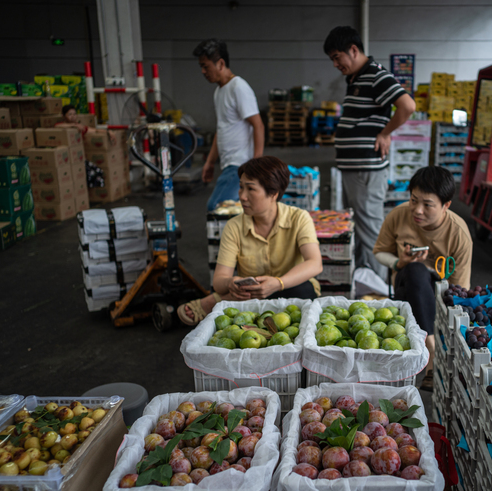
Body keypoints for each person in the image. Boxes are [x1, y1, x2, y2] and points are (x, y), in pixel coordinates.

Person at [177, 156, 323, 326]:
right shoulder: (234, 227)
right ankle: (229, 298)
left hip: (291, 290)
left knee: (303, 290)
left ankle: (218, 301)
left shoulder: (299, 218)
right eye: (241, 188)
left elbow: (315, 263)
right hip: (249, 294)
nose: (242, 196)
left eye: (250, 189)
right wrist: (230, 283)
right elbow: (219, 281)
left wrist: (278, 283)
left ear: (273, 193)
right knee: (240, 292)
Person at [324, 26, 416, 279]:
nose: (334, 64)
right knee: (361, 229)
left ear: (353, 50)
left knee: (370, 230)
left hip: (365, 170)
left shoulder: (376, 75)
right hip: (355, 169)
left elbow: (407, 106)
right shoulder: (356, 78)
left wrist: (385, 133)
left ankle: (379, 293)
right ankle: (366, 284)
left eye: (336, 57)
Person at [373, 166, 473, 391]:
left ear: (446, 205)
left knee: (420, 275)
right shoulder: (399, 215)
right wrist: (400, 262)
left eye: (427, 205)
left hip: (440, 298)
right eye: (413, 200)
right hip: (405, 286)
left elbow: (460, 289)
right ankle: (432, 352)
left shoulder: (458, 232)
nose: (417, 210)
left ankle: (424, 356)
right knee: (415, 271)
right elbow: (379, 251)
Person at [193, 39, 265, 212]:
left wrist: (256, 164)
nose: (203, 71)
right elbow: (222, 129)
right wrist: (210, 163)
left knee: (217, 208)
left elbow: (258, 125)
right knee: (226, 210)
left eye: (206, 66)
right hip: (228, 164)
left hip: (240, 164)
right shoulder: (219, 92)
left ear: (220, 63)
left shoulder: (238, 87)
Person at [58, 105, 104, 188]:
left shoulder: (80, 127)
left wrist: (108, 132)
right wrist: (73, 126)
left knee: (97, 172)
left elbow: (94, 130)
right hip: (67, 160)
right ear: (63, 116)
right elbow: (57, 126)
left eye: (74, 114)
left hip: (79, 159)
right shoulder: (62, 127)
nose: (73, 117)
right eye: (70, 114)